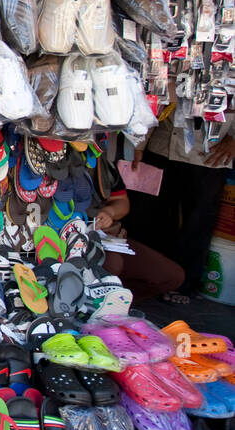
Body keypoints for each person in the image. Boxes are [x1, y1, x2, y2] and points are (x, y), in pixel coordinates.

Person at [124, 107, 235, 303]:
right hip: (162, 143)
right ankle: (143, 279)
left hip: (209, 150)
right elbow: (155, 99)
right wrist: (139, 143)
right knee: (147, 215)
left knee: (198, 222)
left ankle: (184, 285)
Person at [90, 155, 185, 302]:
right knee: (113, 264)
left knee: (173, 276)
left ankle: (114, 302)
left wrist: (110, 212)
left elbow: (121, 203)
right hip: (72, 241)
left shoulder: (101, 163)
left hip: (106, 238)